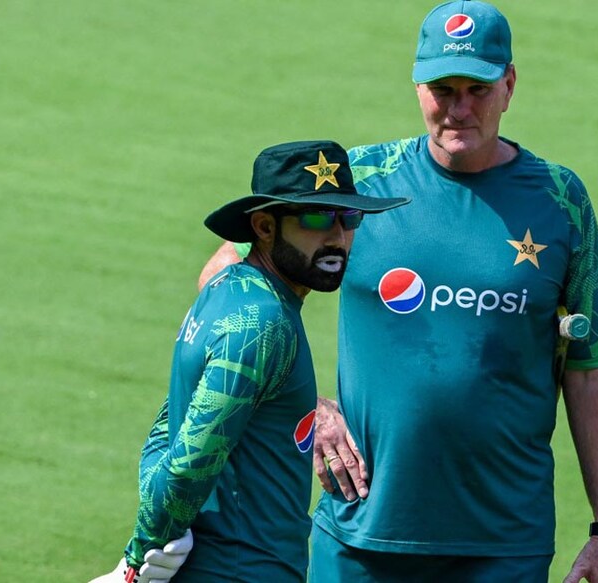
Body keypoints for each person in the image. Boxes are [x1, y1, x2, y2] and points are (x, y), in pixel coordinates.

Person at [199, 2, 598, 581]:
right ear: (417, 84)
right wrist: (306, 402)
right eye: (441, 88)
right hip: (361, 533)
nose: (458, 109)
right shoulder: (360, 186)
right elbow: (229, 278)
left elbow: (590, 366)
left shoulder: (559, 199)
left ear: (509, 84)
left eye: (476, 88)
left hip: (504, 545)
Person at [91, 140, 408, 582]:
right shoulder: (264, 324)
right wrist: (134, 561)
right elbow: (186, 466)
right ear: (264, 226)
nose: (336, 236)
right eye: (316, 217)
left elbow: (167, 432)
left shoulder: (225, 292)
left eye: (348, 217)